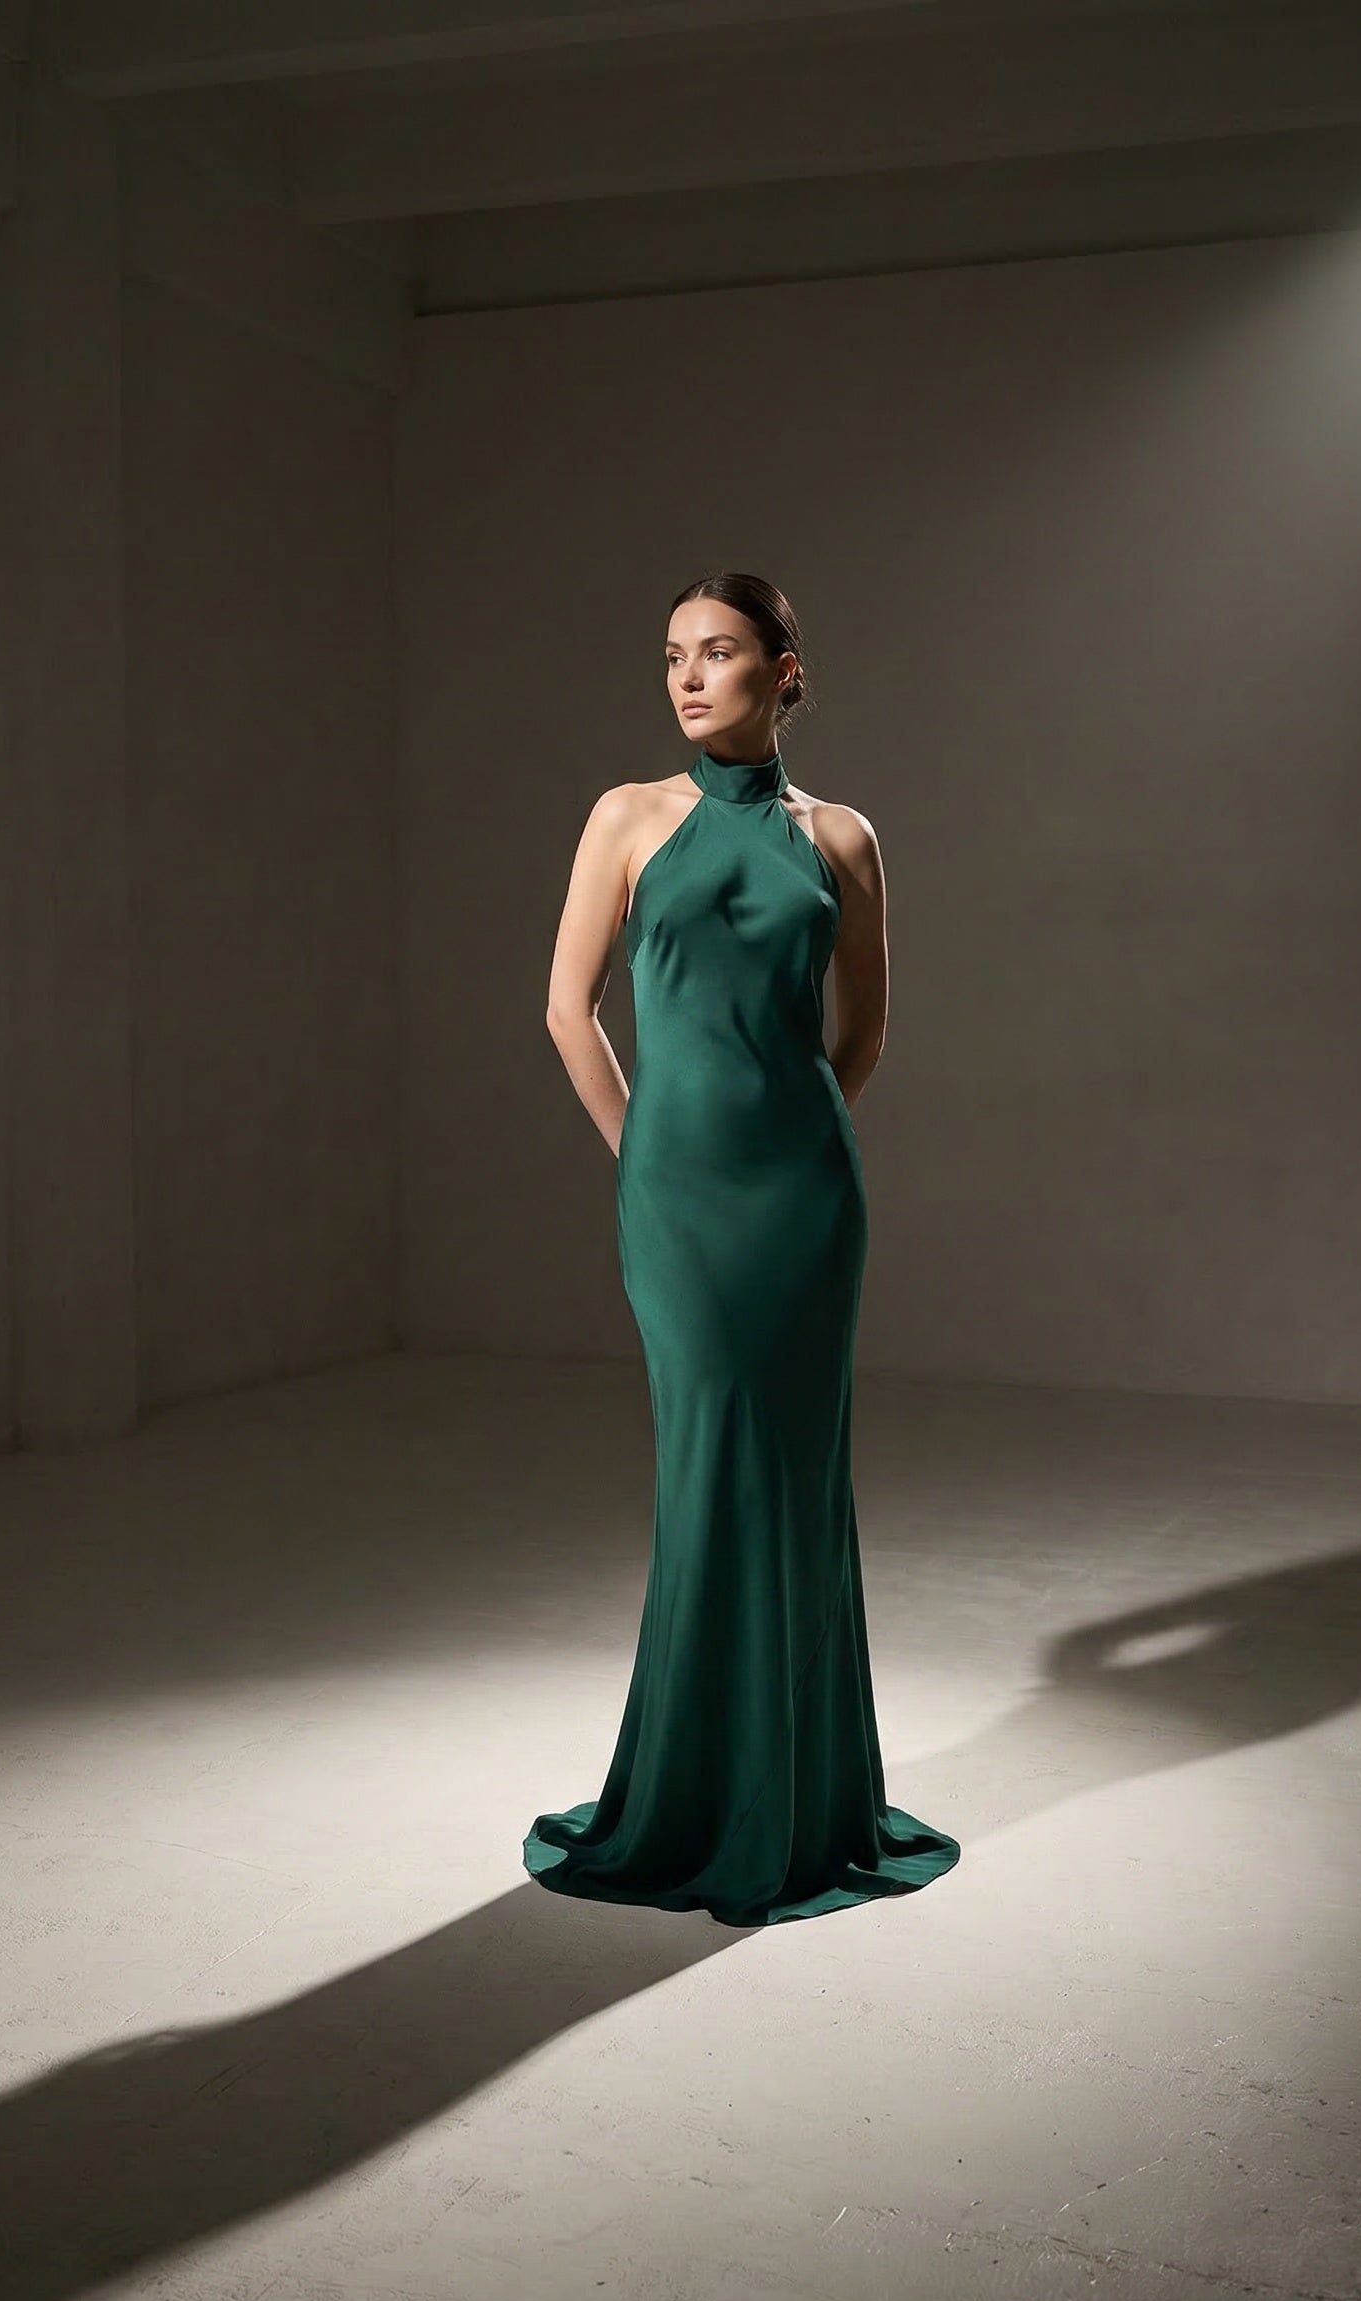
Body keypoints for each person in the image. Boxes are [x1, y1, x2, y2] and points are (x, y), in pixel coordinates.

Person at [525, 572, 960, 1926]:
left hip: (804, 1202)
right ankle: (695, 1796)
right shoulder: (628, 816)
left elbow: (867, 1029)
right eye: (672, 657)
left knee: (795, 1477)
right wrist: (650, 1155)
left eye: (720, 653)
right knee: (712, 1470)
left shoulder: (842, 838)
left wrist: (791, 1135)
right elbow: (564, 1011)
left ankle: (804, 1799)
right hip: (678, 1197)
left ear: (787, 673)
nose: (690, 678)